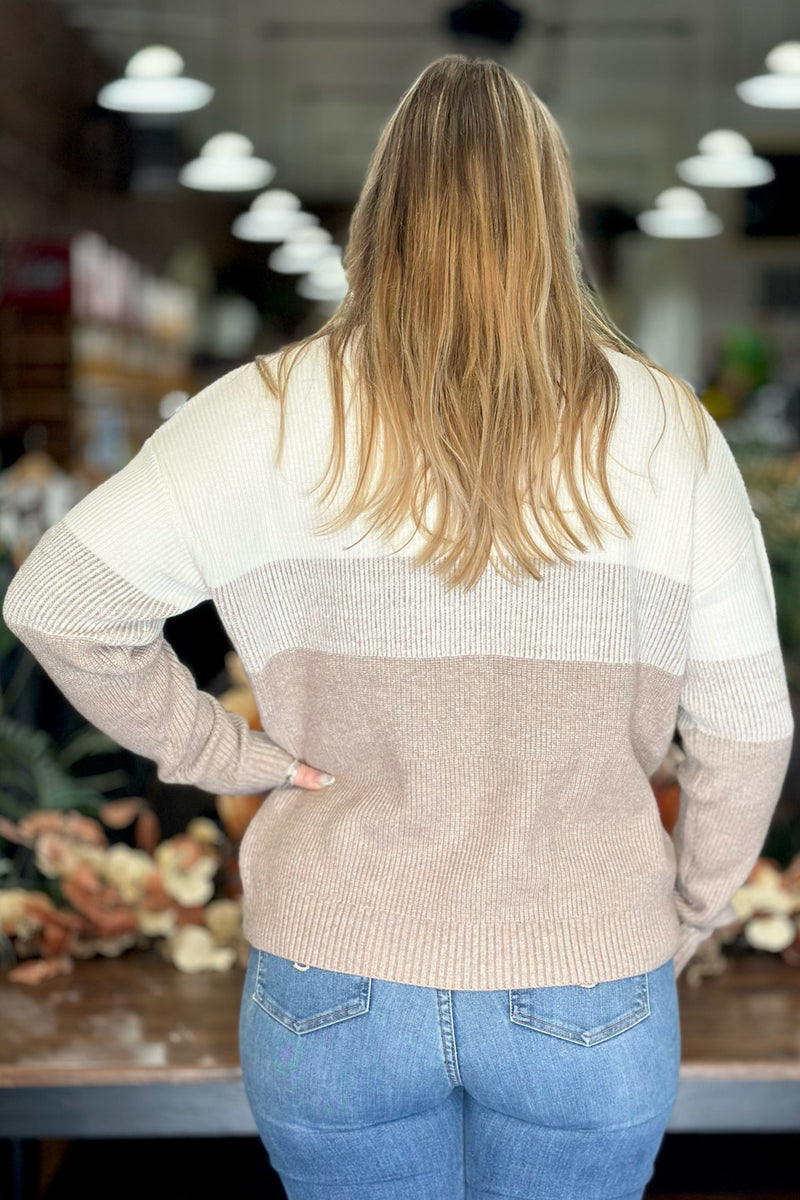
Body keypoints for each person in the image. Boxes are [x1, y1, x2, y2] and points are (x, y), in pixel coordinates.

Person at [3, 52, 793, 1200]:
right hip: (587, 981)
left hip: (330, 982)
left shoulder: (261, 411)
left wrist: (231, 756)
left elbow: (58, 602)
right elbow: (746, 728)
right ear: (546, 214)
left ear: (379, 217)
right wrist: (683, 911)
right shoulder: (665, 428)